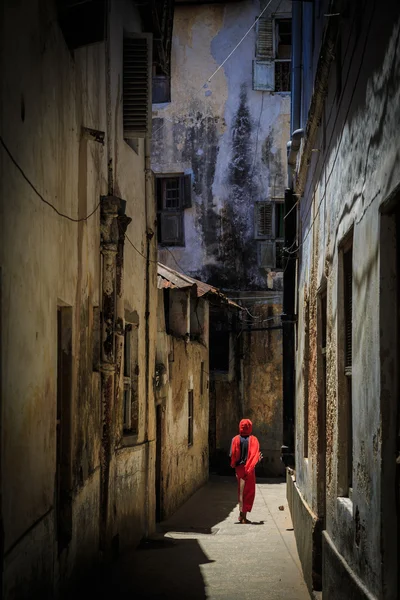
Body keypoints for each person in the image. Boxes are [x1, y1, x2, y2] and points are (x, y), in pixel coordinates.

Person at [230, 419, 262, 524]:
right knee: (248, 492)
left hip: (239, 469)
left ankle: (241, 514)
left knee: (241, 491)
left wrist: (234, 465)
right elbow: (255, 455)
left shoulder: (235, 439)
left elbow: (232, 454)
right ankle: (244, 517)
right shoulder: (254, 440)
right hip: (249, 469)